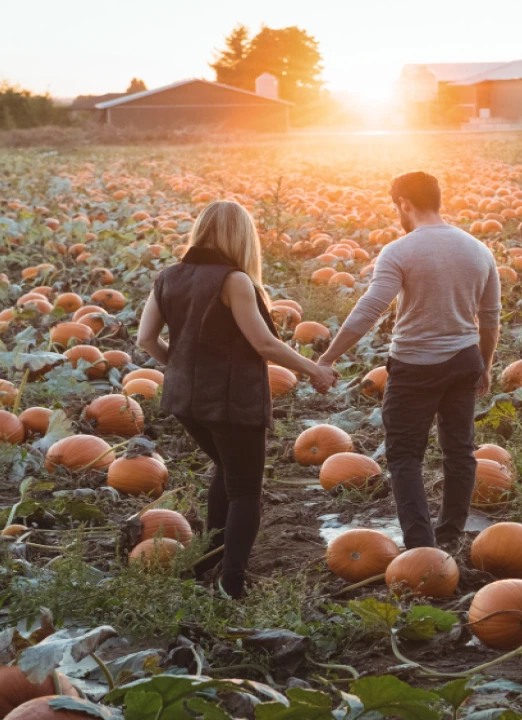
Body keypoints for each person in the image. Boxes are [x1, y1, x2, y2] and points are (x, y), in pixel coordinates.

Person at [136, 200, 337, 599]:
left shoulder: (169, 276)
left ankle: (210, 558)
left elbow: (145, 339)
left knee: (226, 472)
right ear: (242, 236)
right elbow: (263, 343)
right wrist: (313, 369)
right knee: (245, 488)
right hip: (231, 402)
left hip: (186, 402)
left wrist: (180, 369)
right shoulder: (233, 280)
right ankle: (232, 581)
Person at [317, 171, 501, 549]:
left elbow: (371, 308)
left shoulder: (400, 250)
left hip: (415, 365)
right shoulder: (478, 249)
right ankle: (449, 536)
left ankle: (420, 547)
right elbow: (491, 317)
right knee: (460, 452)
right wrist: (485, 363)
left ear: (404, 204)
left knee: (404, 456)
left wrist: (328, 357)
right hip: (464, 359)